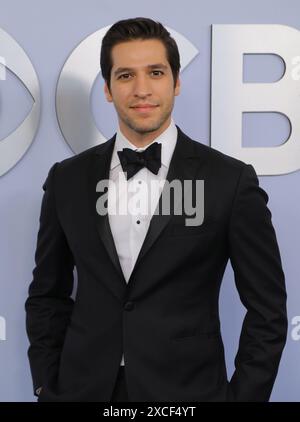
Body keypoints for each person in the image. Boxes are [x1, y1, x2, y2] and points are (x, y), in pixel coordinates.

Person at [25, 17, 287, 402]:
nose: (142, 89)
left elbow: (268, 309)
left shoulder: (229, 181)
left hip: (189, 394)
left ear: (176, 83)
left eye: (156, 72)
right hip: (84, 390)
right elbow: (47, 295)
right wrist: (46, 386)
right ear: (109, 90)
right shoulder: (67, 179)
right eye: (126, 75)